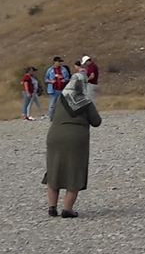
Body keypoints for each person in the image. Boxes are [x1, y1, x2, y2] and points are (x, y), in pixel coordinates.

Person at [42, 76, 101, 218]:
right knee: (74, 172)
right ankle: (67, 209)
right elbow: (96, 121)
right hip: (76, 140)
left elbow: (52, 116)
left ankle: (52, 207)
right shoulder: (85, 102)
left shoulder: (60, 98)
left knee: (54, 169)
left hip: (55, 136)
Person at [44, 57, 70, 121]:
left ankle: (62, 117)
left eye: (60, 62)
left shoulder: (64, 69)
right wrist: (50, 81)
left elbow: (68, 77)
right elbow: (46, 79)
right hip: (53, 90)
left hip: (62, 89)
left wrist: (65, 80)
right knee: (52, 105)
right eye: (58, 62)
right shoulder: (50, 70)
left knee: (62, 104)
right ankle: (51, 117)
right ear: (55, 62)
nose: (60, 63)